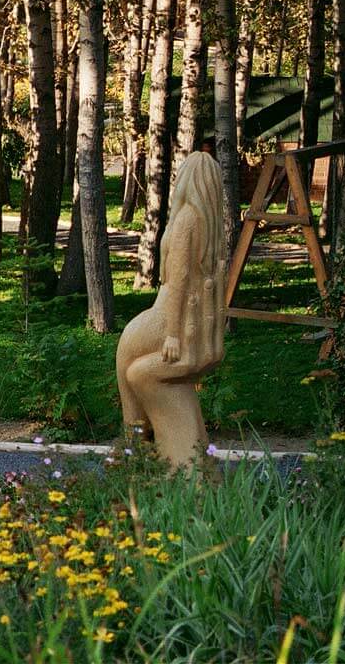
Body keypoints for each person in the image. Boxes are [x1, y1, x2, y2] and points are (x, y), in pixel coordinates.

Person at [116, 151, 227, 468]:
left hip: (167, 320)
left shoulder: (188, 220)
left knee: (132, 368)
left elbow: (178, 282)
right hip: (167, 318)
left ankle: (138, 453)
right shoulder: (208, 223)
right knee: (131, 366)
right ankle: (138, 451)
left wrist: (173, 336)